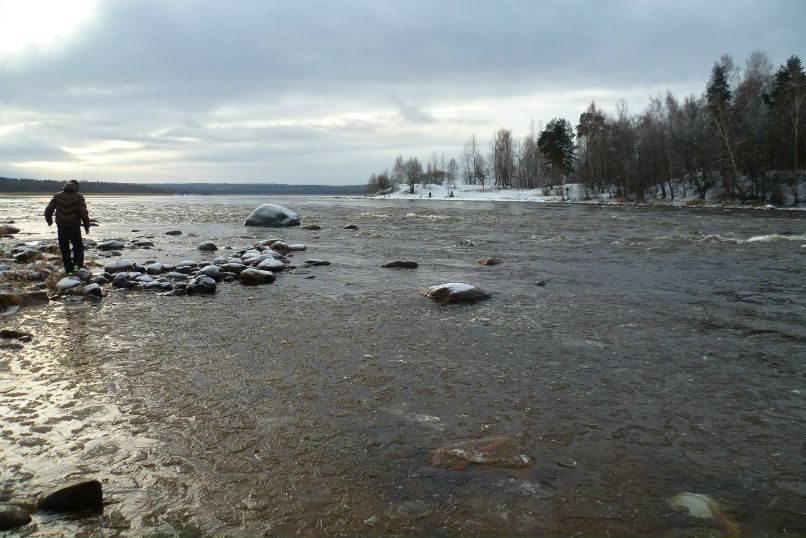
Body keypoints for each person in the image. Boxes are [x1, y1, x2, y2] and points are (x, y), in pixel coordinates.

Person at [45, 180, 90, 275]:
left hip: (61, 227)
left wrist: (49, 221)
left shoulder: (57, 196)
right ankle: (77, 268)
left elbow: (48, 210)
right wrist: (87, 226)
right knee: (78, 247)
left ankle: (69, 271)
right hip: (74, 226)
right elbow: (83, 213)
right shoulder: (79, 197)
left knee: (64, 249)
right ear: (76, 188)